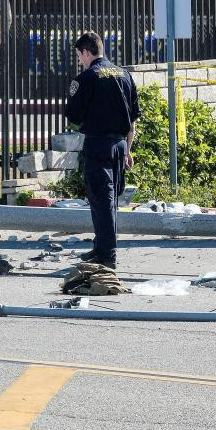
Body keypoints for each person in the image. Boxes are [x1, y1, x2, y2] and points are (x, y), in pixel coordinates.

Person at [64, 31, 140, 268]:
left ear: (87, 52)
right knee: (108, 201)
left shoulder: (87, 77)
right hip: (119, 146)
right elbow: (132, 120)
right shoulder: (124, 75)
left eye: (79, 55)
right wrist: (127, 150)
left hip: (98, 145)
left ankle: (108, 256)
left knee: (102, 201)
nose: (79, 60)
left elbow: (73, 116)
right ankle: (100, 248)